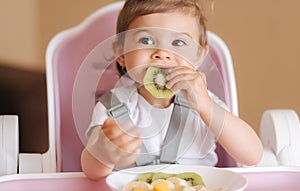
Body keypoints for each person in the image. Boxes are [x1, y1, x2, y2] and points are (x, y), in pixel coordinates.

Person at [81, 0, 263, 180]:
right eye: (146, 40)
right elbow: (91, 170)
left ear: (199, 56)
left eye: (178, 42)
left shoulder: (205, 102)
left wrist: (206, 107)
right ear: (121, 53)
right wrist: (103, 152)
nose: (162, 53)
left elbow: (252, 155)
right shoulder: (113, 105)